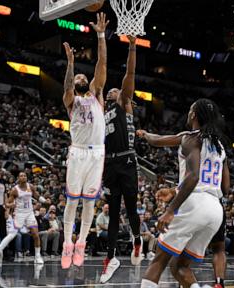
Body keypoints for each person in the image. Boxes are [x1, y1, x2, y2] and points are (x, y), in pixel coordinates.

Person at [137, 99, 229, 288]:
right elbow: (225, 188)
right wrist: (146, 135)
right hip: (215, 210)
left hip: (194, 203)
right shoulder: (219, 146)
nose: (188, 113)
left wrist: (171, 210)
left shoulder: (190, 137)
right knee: (179, 266)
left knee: (159, 261)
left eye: (189, 110)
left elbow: (194, 175)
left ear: (194, 114)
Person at [61, 12, 109, 269]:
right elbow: (67, 87)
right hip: (78, 152)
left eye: (82, 76)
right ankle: (67, 243)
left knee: (90, 201)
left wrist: (101, 35)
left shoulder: (97, 93)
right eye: (77, 77)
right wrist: (70, 63)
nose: (80, 77)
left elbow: (101, 64)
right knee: (72, 200)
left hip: (97, 153)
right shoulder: (72, 101)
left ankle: (81, 244)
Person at [100, 35, 143, 283]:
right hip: (110, 164)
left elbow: (130, 72)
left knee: (130, 207)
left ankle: (137, 238)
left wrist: (133, 47)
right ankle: (111, 257)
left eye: (116, 89)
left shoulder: (124, 103)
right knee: (113, 213)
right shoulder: (102, 111)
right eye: (112, 89)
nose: (113, 90)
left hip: (127, 161)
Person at [0, 172, 44, 264]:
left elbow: (37, 196)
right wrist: (11, 205)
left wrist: (45, 200)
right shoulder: (15, 190)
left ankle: (37, 256)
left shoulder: (31, 186)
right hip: (19, 214)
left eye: (25, 175)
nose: (23, 177)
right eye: (21, 175)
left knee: (35, 235)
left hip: (29, 213)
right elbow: (7, 204)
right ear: (18, 178)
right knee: (11, 235)